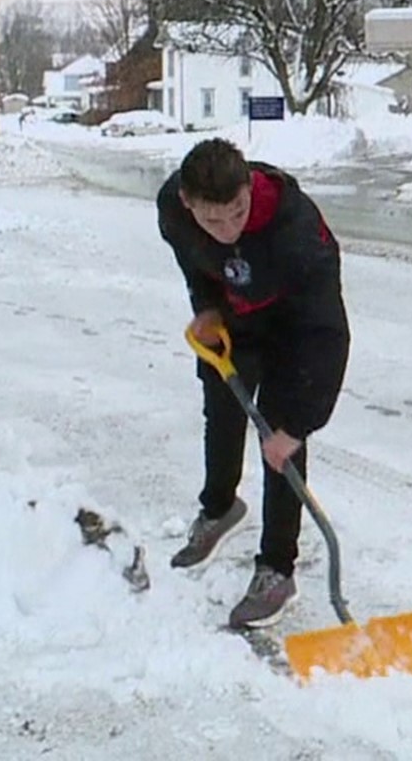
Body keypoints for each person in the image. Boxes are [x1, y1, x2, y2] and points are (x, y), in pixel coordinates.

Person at [157, 137, 350, 629]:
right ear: (187, 202)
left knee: (279, 440)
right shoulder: (173, 209)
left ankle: (276, 570)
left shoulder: (297, 233)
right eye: (212, 219)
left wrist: (298, 425)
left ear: (249, 188)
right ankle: (218, 509)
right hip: (236, 317)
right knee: (221, 409)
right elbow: (192, 255)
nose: (227, 229)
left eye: (237, 213)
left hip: (294, 327)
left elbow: (328, 334)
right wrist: (204, 305)